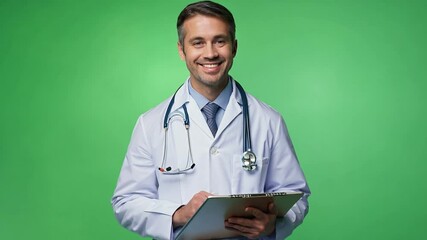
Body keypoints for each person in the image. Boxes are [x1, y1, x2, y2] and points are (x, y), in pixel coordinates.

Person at [111, 1, 310, 239]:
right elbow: (126, 202)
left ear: (234, 47)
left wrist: (273, 225)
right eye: (198, 43)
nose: (210, 53)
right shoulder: (150, 124)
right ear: (181, 50)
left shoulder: (268, 120)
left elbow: (296, 195)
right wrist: (178, 213)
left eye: (220, 41)